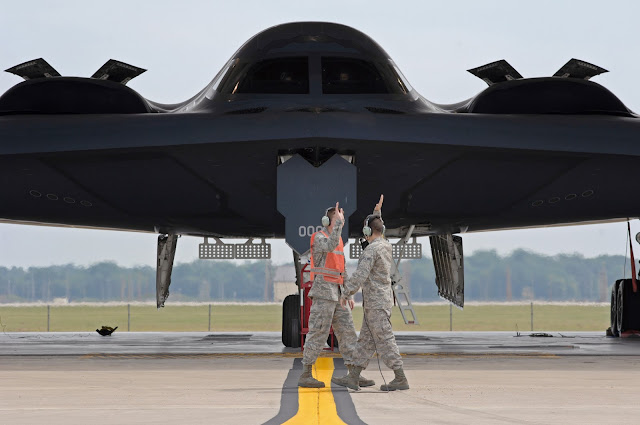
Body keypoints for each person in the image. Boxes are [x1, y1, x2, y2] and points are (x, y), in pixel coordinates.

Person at [332, 194, 409, 391]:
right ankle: (354, 377)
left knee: (384, 339)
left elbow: (360, 276)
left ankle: (400, 377)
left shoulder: (371, 251)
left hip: (376, 304)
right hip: (377, 303)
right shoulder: (384, 245)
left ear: (367, 231)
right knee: (365, 341)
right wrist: (377, 214)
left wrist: (346, 293)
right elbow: (378, 228)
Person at [298, 202, 375, 388]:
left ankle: (354, 374)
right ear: (327, 221)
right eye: (338, 219)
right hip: (324, 294)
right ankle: (306, 374)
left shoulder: (339, 240)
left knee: (348, 334)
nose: (341, 222)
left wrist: (348, 294)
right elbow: (330, 244)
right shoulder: (319, 237)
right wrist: (339, 225)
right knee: (318, 333)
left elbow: (343, 269)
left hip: (338, 294)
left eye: (342, 219)